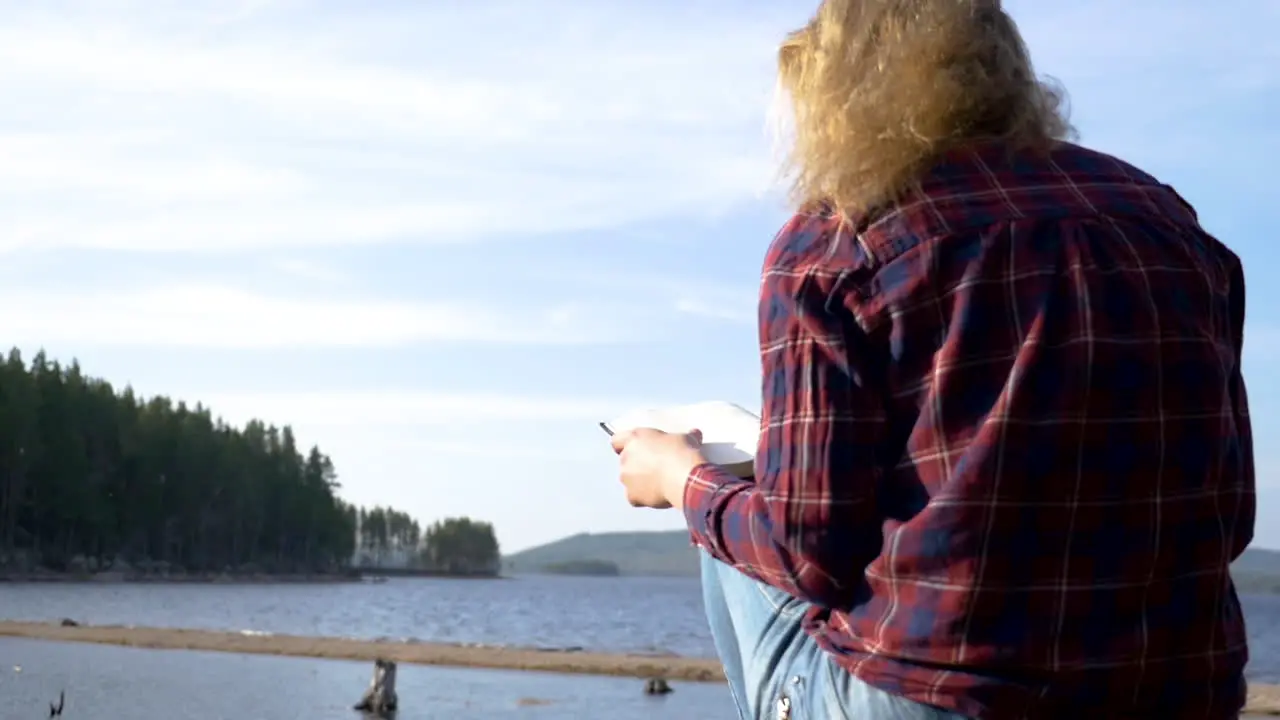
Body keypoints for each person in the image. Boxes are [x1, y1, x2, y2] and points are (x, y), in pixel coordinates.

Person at [607, 1, 1254, 718]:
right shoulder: (1165, 221)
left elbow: (806, 556)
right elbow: (1232, 513)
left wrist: (680, 477)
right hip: (1179, 692)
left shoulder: (833, 244)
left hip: (946, 698)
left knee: (724, 520)